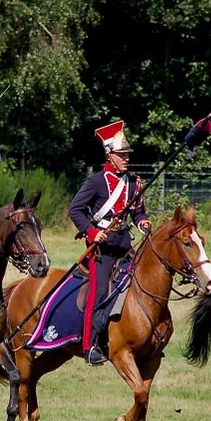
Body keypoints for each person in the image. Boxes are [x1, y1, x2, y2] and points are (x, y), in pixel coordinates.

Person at [68, 120, 151, 365]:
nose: (126, 158)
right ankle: (90, 344)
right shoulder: (95, 182)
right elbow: (76, 210)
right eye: (121, 154)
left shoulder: (134, 182)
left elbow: (138, 212)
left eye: (127, 154)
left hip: (124, 244)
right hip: (101, 249)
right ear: (109, 155)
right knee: (100, 290)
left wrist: (143, 222)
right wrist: (92, 233)